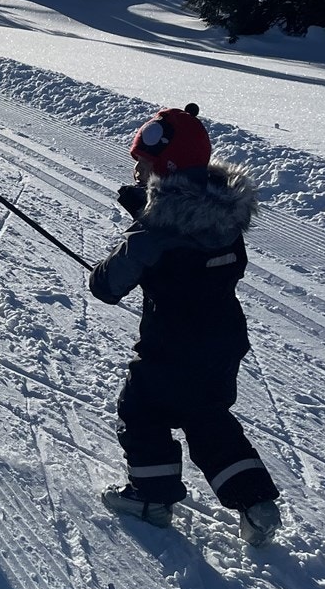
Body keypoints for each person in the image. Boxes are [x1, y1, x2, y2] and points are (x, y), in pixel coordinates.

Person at [89, 103, 282, 546]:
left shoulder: (152, 233)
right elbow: (190, 233)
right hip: (223, 342)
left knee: (141, 411)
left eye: (143, 164)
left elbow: (107, 286)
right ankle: (255, 502)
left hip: (169, 348)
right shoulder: (227, 219)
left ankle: (150, 498)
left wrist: (142, 229)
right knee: (206, 416)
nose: (137, 172)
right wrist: (150, 213)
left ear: (164, 166)